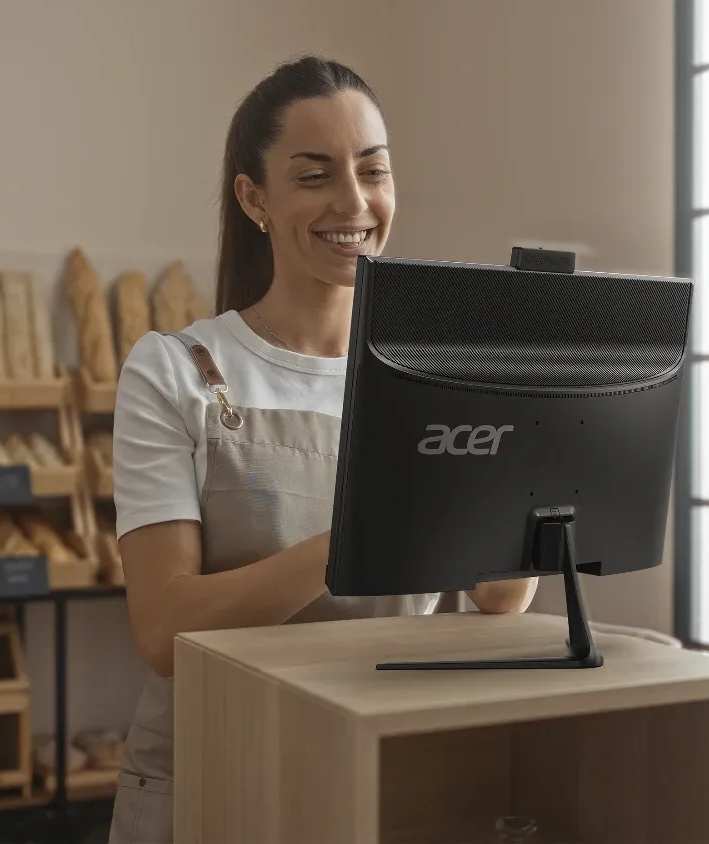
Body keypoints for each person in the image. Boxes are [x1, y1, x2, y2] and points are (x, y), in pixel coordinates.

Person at [107, 55, 538, 844]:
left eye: (373, 171)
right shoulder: (176, 370)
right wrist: (357, 537)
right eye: (314, 176)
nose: (354, 202)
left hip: (398, 761)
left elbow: (499, 601)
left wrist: (520, 438)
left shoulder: (440, 369)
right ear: (254, 199)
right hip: (220, 771)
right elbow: (164, 630)